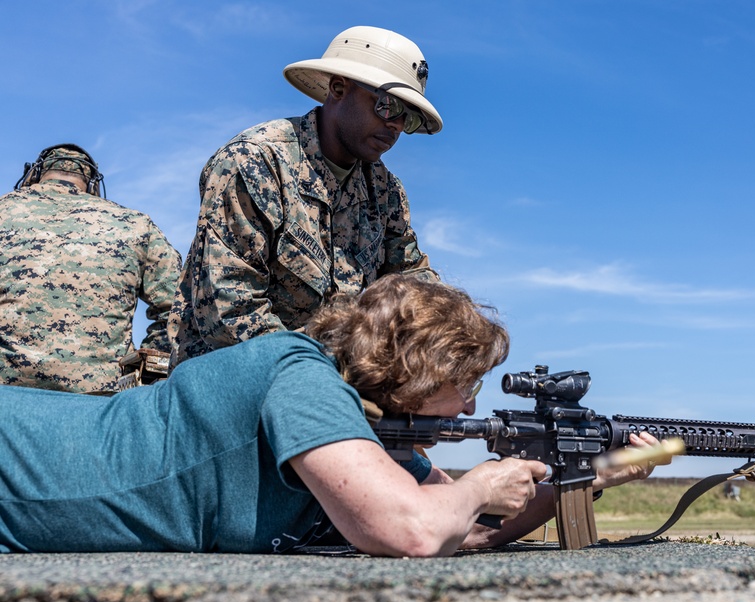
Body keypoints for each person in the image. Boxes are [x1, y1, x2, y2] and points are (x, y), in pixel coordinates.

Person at [0, 275, 660, 557]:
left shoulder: (372, 427)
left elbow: (467, 531)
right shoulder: (302, 377)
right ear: (419, 374)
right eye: (464, 385)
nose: (470, 406)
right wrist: (482, 484)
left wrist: (589, 477)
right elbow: (413, 532)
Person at [169, 25, 443, 368]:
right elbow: (228, 310)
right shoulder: (255, 162)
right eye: (387, 106)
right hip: (227, 384)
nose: (396, 126)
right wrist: (329, 374)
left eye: (409, 118)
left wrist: (453, 339)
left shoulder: (385, 192)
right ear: (339, 88)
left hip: (325, 384)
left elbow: (413, 285)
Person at [0, 144, 182, 394]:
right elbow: (178, 307)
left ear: (34, 176)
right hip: (102, 404)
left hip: (7, 400)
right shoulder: (135, 224)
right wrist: (141, 375)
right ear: (93, 185)